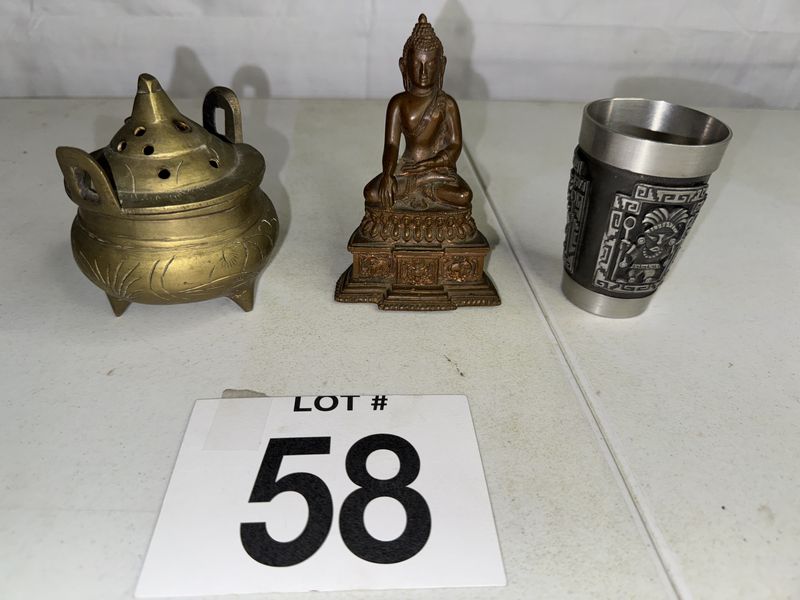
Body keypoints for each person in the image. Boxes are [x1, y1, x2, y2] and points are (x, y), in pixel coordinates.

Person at [364, 14, 472, 211]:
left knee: (463, 195)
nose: (423, 72)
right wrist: (388, 175)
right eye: (417, 64)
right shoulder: (398, 103)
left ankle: (423, 182)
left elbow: (455, 145)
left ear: (442, 65)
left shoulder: (446, 103)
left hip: (437, 170)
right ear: (404, 65)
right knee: (372, 193)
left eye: (430, 64)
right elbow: (391, 144)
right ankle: (422, 184)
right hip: (406, 168)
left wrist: (432, 164)